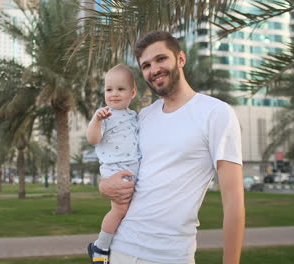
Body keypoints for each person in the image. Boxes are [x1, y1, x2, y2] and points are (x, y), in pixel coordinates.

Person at [99, 31, 245, 264]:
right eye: (146, 65)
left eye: (160, 59)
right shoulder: (143, 117)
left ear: (181, 59)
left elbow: (234, 199)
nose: (153, 69)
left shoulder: (216, 113)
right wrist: (105, 186)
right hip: (121, 249)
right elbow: (120, 163)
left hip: (170, 255)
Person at [86, 64, 140, 264]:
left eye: (120, 89)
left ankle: (113, 244)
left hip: (130, 169)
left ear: (132, 92)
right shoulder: (104, 114)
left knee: (127, 210)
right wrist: (97, 121)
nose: (114, 94)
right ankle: (100, 246)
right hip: (115, 169)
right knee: (119, 209)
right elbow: (92, 139)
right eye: (109, 90)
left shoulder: (134, 116)